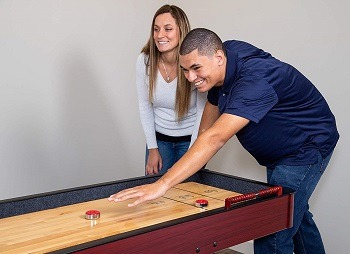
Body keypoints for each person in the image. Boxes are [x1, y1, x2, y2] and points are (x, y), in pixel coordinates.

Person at [109, 28, 339, 253]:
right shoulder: (227, 57)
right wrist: (192, 173)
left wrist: (162, 184)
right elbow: (208, 124)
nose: (190, 78)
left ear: (218, 57)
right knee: (293, 214)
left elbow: (215, 137)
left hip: (306, 148)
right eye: (185, 69)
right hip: (281, 150)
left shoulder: (254, 82)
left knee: (271, 227)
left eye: (196, 68)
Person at [136, 5, 206, 175]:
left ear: (181, 31)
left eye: (168, 29)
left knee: (187, 195)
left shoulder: (194, 63)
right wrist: (152, 148)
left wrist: (193, 151)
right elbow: (145, 106)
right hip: (159, 142)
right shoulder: (144, 61)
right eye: (156, 29)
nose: (160, 35)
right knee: (155, 195)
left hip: (191, 140)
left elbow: (202, 111)